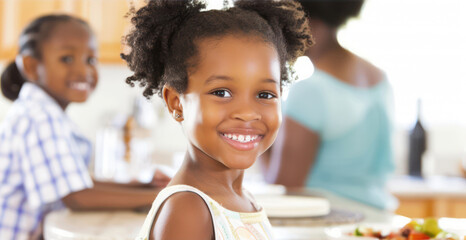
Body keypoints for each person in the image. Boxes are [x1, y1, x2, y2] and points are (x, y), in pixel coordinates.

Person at [120, 0, 312, 239]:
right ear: (176, 102)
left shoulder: (243, 200)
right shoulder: (188, 209)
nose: (248, 113)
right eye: (222, 93)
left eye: (265, 94)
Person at [0, 14, 170, 240]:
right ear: (31, 66)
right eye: (67, 59)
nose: (83, 71)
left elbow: (73, 180)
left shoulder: (42, 111)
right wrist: (160, 197)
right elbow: (76, 196)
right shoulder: (39, 116)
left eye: (90, 60)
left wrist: (140, 186)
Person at [260, 0, 397, 210]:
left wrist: (259, 138)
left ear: (308, 24)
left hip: (327, 221)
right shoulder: (379, 78)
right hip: (378, 218)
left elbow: (285, 187)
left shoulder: (311, 90)